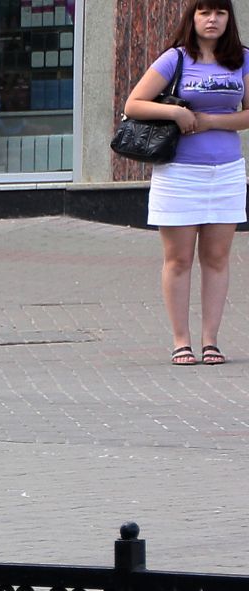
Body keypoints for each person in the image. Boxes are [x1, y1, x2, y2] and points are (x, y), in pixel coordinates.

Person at [124, 1, 249, 366]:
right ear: (192, 18)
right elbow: (134, 104)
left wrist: (211, 121)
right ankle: (182, 341)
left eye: (220, 13)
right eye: (204, 13)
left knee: (217, 258)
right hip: (178, 174)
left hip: (225, 173)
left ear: (229, 18)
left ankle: (211, 340)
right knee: (178, 259)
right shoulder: (175, 59)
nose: (212, 20)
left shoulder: (241, 58)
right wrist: (175, 112)